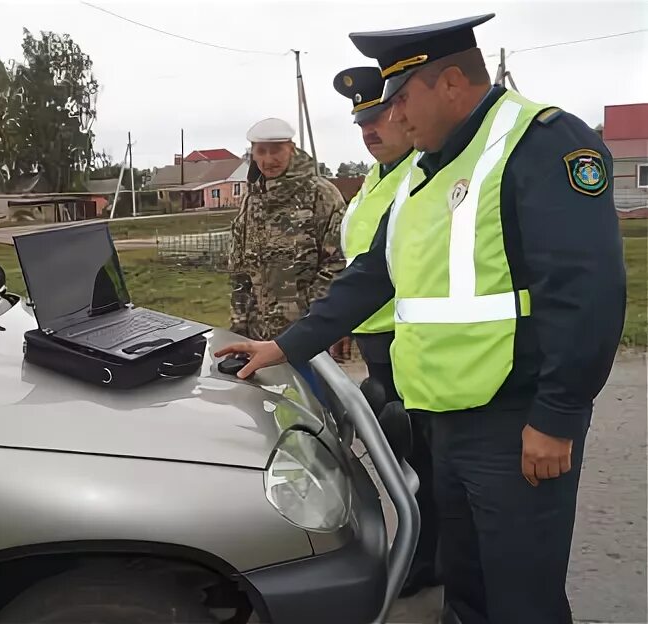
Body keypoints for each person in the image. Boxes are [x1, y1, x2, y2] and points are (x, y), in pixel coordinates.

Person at [217, 14, 627, 624]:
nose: (394, 117)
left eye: (402, 99)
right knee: (465, 584)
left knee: (522, 597)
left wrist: (559, 416)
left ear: (454, 83)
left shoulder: (540, 143)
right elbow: (371, 275)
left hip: (516, 425)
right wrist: (286, 346)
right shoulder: (422, 172)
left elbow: (587, 291)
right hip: (444, 417)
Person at [333, 65, 438, 597]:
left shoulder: (420, 174)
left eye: (377, 118)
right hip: (376, 340)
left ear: (401, 112)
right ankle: (427, 549)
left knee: (423, 459)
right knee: (403, 453)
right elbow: (360, 264)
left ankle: (429, 556)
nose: (370, 131)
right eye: (361, 124)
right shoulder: (374, 179)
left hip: (408, 339)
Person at [228, 117, 347, 398]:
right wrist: (238, 329)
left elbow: (337, 264)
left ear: (291, 149)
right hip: (258, 340)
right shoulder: (251, 201)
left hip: (306, 339)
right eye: (261, 151)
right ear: (252, 154)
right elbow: (239, 271)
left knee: (318, 414)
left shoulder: (321, 195)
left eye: (276, 150)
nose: (269, 159)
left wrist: (307, 316)